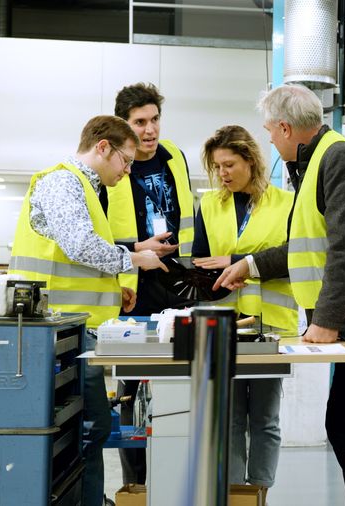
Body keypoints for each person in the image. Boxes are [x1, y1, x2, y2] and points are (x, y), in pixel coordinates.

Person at [214, 84, 345, 506]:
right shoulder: (314, 164)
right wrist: (248, 265)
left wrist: (326, 322)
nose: (269, 139)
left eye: (270, 131)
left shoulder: (339, 158)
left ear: (286, 128)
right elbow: (307, 245)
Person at [8, 115, 168, 506]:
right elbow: (80, 245)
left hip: (71, 333)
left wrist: (116, 290)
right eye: (125, 161)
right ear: (102, 147)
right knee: (87, 428)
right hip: (54, 335)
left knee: (87, 427)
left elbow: (75, 255)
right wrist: (134, 259)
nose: (128, 171)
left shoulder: (87, 189)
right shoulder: (63, 181)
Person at [192, 125, 297, 491]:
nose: (222, 173)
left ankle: (260, 492)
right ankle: (236, 493)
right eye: (217, 166)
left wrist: (238, 261)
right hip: (224, 325)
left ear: (250, 161)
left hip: (271, 328)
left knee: (265, 419)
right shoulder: (208, 205)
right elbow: (201, 265)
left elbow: (294, 258)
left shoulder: (286, 203)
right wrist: (216, 272)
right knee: (232, 419)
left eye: (229, 164)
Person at [104, 82, 196, 484]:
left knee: (179, 383)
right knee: (132, 389)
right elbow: (100, 237)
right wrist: (135, 250)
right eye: (140, 122)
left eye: (155, 119)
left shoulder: (175, 155)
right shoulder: (114, 165)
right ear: (124, 125)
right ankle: (136, 484)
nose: (150, 130)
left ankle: (174, 476)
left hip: (176, 283)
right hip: (133, 288)